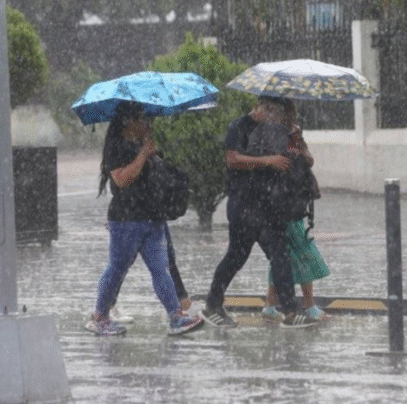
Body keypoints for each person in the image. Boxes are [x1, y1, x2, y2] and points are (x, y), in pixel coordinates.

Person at [199, 97, 319, 328]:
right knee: (236, 257)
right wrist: (267, 161)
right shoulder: (239, 126)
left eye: (277, 111)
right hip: (244, 204)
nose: (272, 115)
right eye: (268, 109)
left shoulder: (283, 131)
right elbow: (232, 159)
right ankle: (213, 304)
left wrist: (297, 146)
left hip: (271, 206)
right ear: (257, 106)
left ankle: (291, 312)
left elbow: (290, 161)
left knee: (280, 256)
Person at [85, 102, 203, 336]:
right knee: (117, 268)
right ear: (130, 122)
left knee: (161, 268)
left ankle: (176, 316)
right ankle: (100, 317)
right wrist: (142, 156)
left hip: (152, 218)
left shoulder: (143, 144)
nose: (148, 124)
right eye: (143, 120)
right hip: (127, 220)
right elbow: (121, 179)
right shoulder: (117, 147)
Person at [257, 112, 329, 322]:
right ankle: (309, 306)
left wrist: (299, 148)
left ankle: (270, 306)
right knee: (303, 255)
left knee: (282, 259)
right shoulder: (268, 138)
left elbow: (308, 160)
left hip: (294, 207)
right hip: (280, 209)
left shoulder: (294, 134)